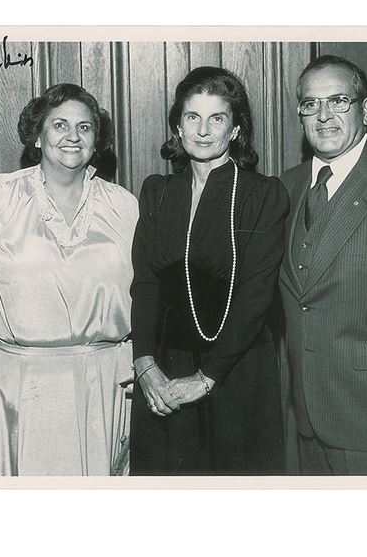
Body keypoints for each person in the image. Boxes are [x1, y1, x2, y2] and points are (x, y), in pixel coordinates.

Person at [0, 83, 138, 476]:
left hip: (104, 382)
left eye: (84, 127)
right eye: (60, 125)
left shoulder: (123, 206)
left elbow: (147, 295)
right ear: (37, 136)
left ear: (97, 141)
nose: (73, 136)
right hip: (23, 384)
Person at [129, 66, 288, 475]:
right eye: (192, 117)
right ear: (177, 127)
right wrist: (144, 365)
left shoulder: (262, 194)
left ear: (235, 129)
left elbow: (256, 296)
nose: (203, 130)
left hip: (236, 369)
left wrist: (205, 378)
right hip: (163, 372)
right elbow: (145, 284)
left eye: (217, 118)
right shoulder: (157, 192)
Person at [279, 55, 367, 475]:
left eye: (339, 101)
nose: (323, 115)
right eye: (311, 104)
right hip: (301, 418)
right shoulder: (286, 187)